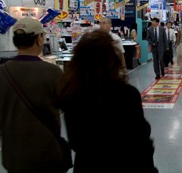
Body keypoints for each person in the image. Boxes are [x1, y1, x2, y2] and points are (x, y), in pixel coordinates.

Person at [57, 30, 158, 172]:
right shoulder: (127, 94)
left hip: (88, 164)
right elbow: (140, 137)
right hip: (125, 164)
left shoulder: (71, 95)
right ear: (112, 58)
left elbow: (75, 141)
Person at [0, 18, 68, 173]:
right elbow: (70, 110)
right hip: (47, 154)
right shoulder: (52, 72)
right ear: (39, 39)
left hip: (14, 156)